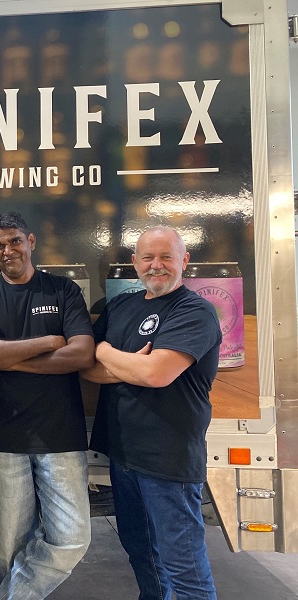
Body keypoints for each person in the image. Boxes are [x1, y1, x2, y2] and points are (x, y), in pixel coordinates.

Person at [0, 211, 94, 600]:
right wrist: (51, 342)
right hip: (4, 436)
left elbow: (82, 354)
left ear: (31, 241)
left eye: (15, 241)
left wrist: (9, 358)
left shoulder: (62, 290)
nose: (7, 250)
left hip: (61, 435)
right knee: (11, 548)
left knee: (71, 537)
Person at [83, 225, 221, 600]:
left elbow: (156, 373)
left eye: (166, 257)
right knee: (142, 556)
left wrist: (108, 352)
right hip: (125, 456)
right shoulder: (122, 305)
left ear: (184, 261)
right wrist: (130, 365)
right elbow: (87, 368)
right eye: (148, 258)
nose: (156, 266)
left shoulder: (195, 312)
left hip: (169, 460)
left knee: (184, 568)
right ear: (135, 263)